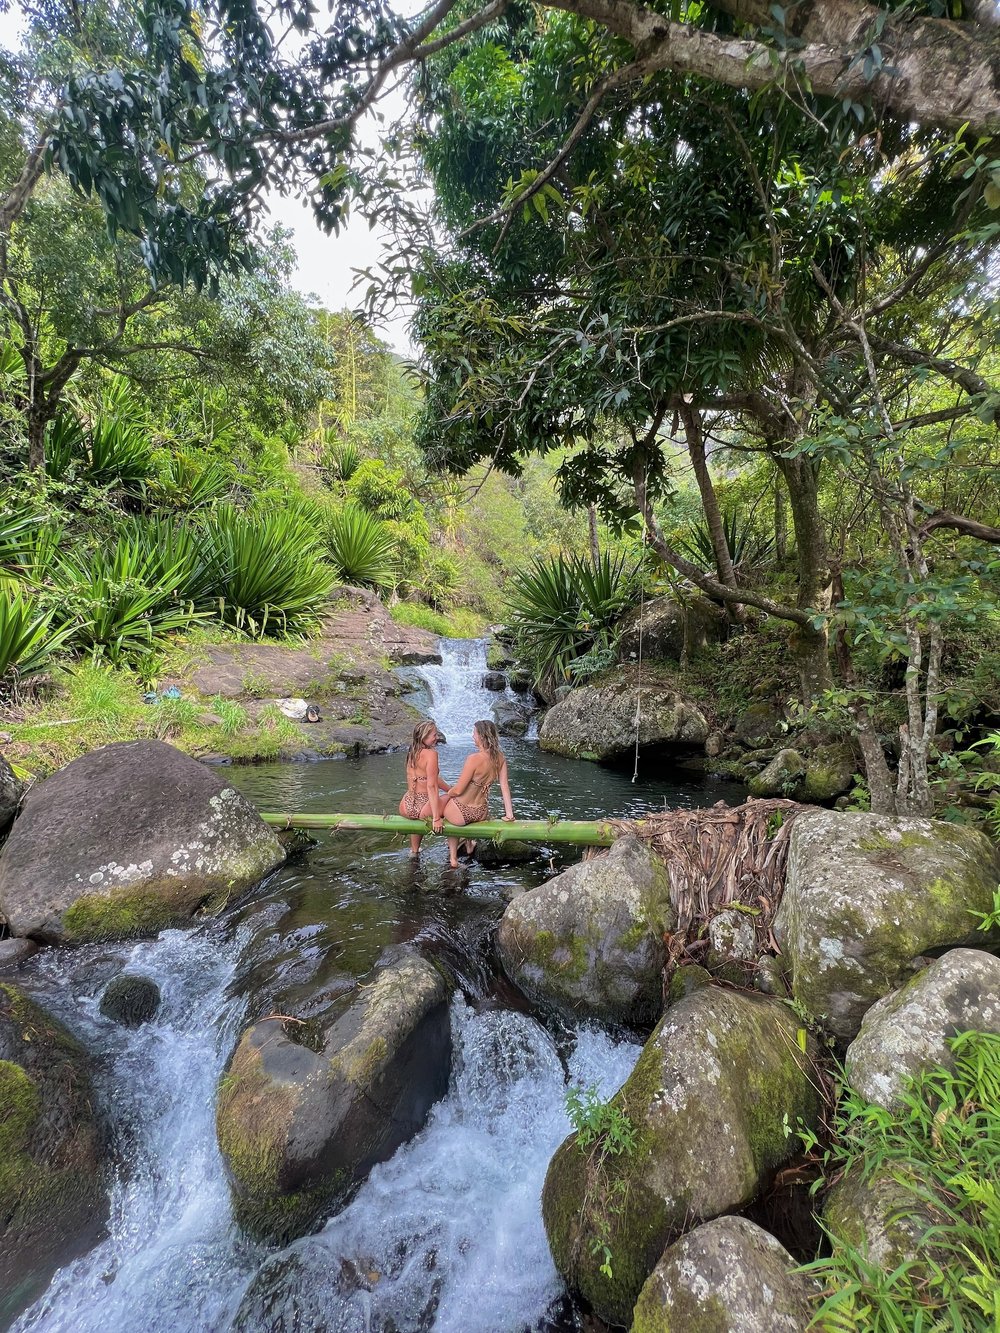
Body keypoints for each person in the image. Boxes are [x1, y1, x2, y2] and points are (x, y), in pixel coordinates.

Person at [440, 719, 515, 869]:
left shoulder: (473, 759)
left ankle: (453, 859)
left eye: (474, 733)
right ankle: (469, 843)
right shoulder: (500, 758)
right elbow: (505, 787)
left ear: (481, 736)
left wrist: (449, 790)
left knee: (443, 805)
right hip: (481, 812)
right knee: (453, 804)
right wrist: (509, 815)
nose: (472, 736)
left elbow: (459, 790)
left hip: (461, 813)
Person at [400, 721, 449, 857]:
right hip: (423, 807)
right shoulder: (431, 754)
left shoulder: (412, 751)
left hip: (406, 805)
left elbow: (428, 778)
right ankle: (458, 843)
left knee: (451, 794)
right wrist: (436, 818)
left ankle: (414, 851)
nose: (437, 737)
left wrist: (449, 789)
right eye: (434, 735)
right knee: (452, 800)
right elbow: (431, 786)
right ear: (423, 736)